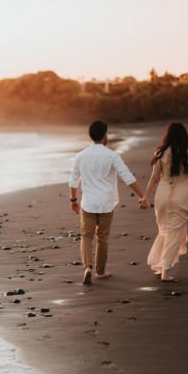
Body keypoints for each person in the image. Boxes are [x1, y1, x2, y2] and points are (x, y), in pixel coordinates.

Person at [69, 120, 146, 285]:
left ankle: (87, 267)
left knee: (86, 237)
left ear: (91, 136)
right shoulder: (112, 155)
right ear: (105, 136)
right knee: (103, 238)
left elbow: (73, 180)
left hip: (88, 203)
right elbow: (127, 177)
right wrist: (142, 196)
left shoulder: (81, 156)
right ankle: (100, 271)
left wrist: (73, 199)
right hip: (106, 203)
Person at [140, 123, 188, 281]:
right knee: (175, 232)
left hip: (162, 193)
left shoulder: (161, 153)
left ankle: (161, 265)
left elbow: (154, 178)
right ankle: (165, 270)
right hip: (181, 194)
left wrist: (146, 196)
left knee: (165, 229)